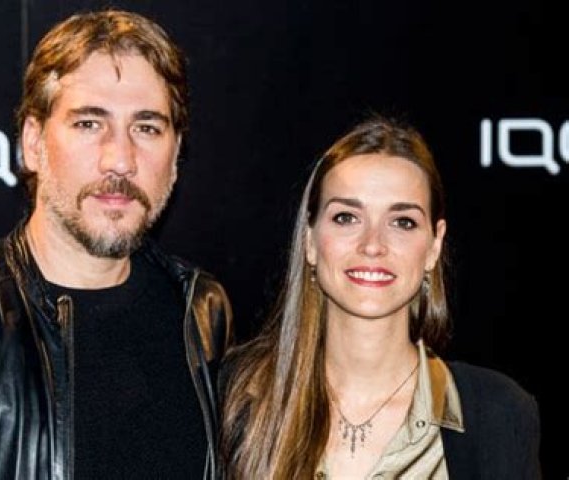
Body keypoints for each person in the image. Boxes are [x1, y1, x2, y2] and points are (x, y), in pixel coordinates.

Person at [0, 10, 233, 479]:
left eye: (147, 127)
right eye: (89, 123)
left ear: (175, 155)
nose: (120, 159)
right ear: (33, 143)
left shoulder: (201, 309)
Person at [220, 116, 540, 479]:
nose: (372, 245)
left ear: (434, 246)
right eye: (346, 217)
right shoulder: (237, 396)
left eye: (402, 222)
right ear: (310, 240)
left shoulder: (498, 413)